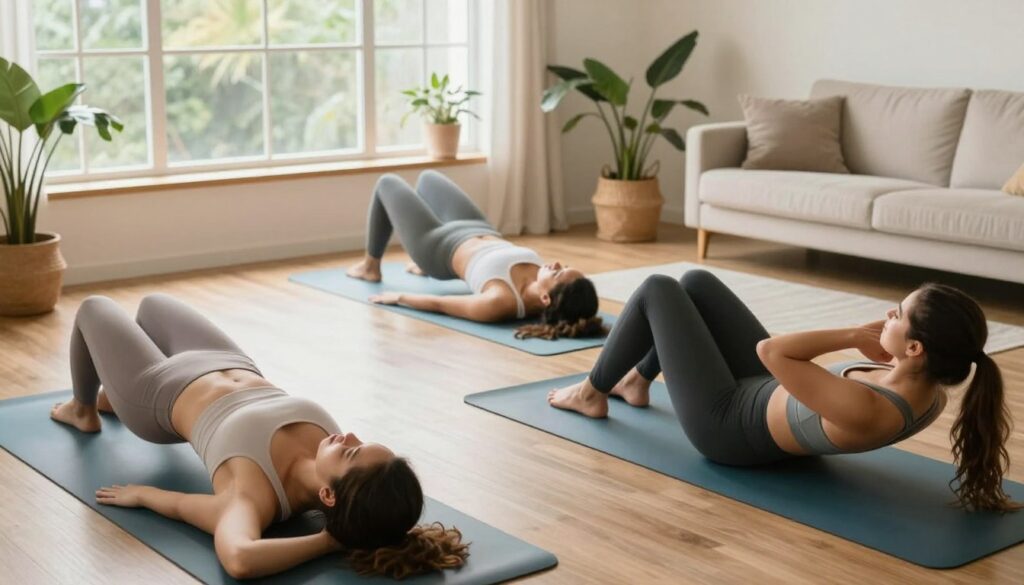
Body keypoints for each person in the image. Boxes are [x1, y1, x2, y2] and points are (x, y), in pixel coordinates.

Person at [50, 294, 469, 579]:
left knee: (93, 307)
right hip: (228, 361)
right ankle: (111, 393)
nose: (348, 436)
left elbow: (238, 558)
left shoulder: (255, 498)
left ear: (328, 496)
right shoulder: (336, 458)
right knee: (153, 306)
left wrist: (329, 541)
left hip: (156, 393)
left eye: (352, 451)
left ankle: (85, 409)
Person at [547, 269, 1019, 511]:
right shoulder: (930, 386)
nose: (888, 315)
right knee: (695, 284)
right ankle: (637, 379)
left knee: (657, 288)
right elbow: (776, 365)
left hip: (727, 424)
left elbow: (772, 352)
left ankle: (592, 391)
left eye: (898, 314)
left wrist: (853, 335)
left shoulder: (868, 407)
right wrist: (889, 348)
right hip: (766, 395)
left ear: (916, 346)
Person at [346, 170, 606, 340]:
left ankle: (371, 266)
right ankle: (415, 267)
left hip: (436, 245)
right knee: (427, 179)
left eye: (558, 272)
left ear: (546, 297)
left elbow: (442, 304)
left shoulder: (500, 301)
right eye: (565, 265)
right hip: (477, 225)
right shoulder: (542, 278)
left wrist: (399, 297)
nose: (557, 263)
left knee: (386, 183)